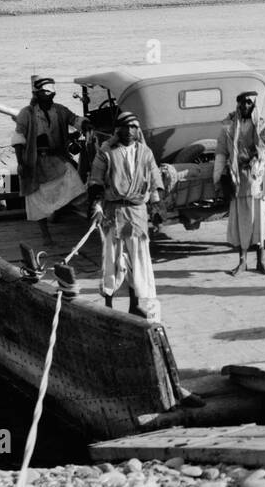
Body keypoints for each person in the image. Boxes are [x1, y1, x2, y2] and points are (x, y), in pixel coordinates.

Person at [87, 110, 164, 319]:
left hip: (137, 213)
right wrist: (97, 206)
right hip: (113, 212)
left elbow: (155, 181)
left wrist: (156, 209)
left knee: (137, 260)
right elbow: (95, 182)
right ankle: (109, 305)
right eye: (125, 127)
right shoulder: (106, 153)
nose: (129, 131)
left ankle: (135, 305)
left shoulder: (145, 153)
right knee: (111, 259)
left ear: (137, 129)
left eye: (133, 127)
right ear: (117, 130)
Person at [12, 75, 90, 247]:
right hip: (34, 162)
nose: (47, 96)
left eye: (49, 93)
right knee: (37, 200)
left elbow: (74, 119)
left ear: (54, 94)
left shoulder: (60, 110)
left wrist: (85, 125)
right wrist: (20, 164)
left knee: (75, 185)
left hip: (57, 158)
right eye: (43, 93)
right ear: (37, 94)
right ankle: (45, 235)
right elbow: (18, 140)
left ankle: (88, 220)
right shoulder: (27, 113)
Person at [213, 89, 265, 276]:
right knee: (241, 222)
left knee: (259, 221)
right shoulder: (228, 128)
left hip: (258, 179)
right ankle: (242, 261)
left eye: (249, 102)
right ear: (238, 105)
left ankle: (261, 261)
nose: (245, 105)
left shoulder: (263, 126)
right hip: (238, 180)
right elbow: (221, 153)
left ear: (254, 105)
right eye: (242, 102)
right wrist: (218, 178)